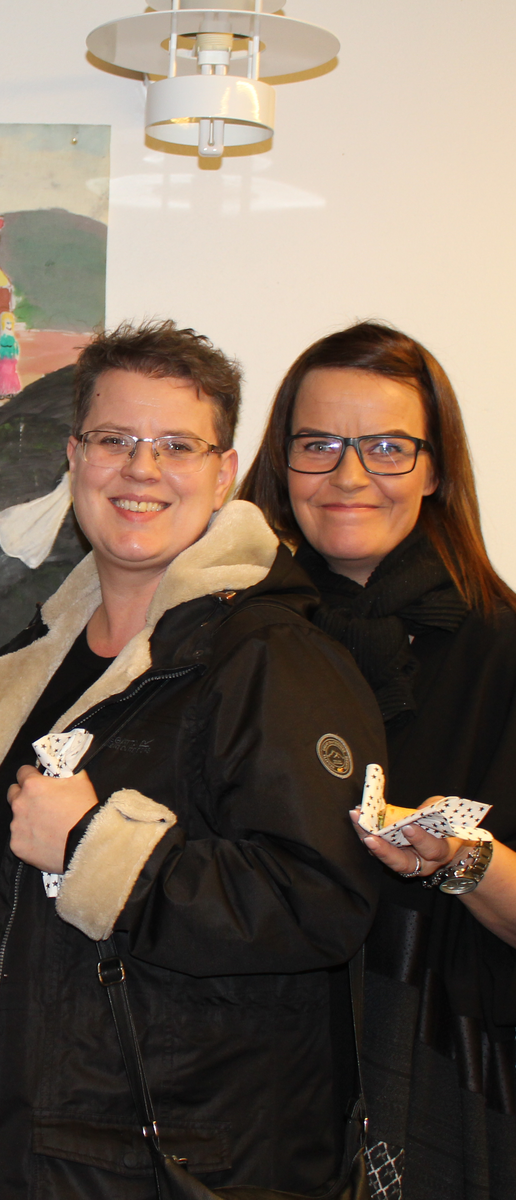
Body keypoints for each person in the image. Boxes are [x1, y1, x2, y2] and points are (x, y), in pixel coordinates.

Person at [0, 319, 385, 1198]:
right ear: (74, 458)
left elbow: (321, 903)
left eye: (178, 446)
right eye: (115, 440)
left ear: (224, 474)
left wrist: (93, 848)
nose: (141, 469)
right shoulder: (27, 669)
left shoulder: (273, 658)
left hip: (187, 1169)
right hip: (30, 1156)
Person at [240, 321, 516, 1200]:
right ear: (281, 463)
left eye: (388, 448)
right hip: (247, 1073)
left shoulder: (504, 650)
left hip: (444, 1068)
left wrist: (460, 860)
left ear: (435, 470)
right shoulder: (232, 640)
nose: (350, 476)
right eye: (319, 445)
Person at [0, 311, 22, 400]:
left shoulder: (13, 338)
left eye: (10, 323)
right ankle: (1, 392)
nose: (9, 326)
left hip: (11, 361)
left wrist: (16, 356)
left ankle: (11, 391)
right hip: (2, 360)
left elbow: (16, 348)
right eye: (7, 323)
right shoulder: (1, 338)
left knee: (11, 375)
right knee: (1, 375)